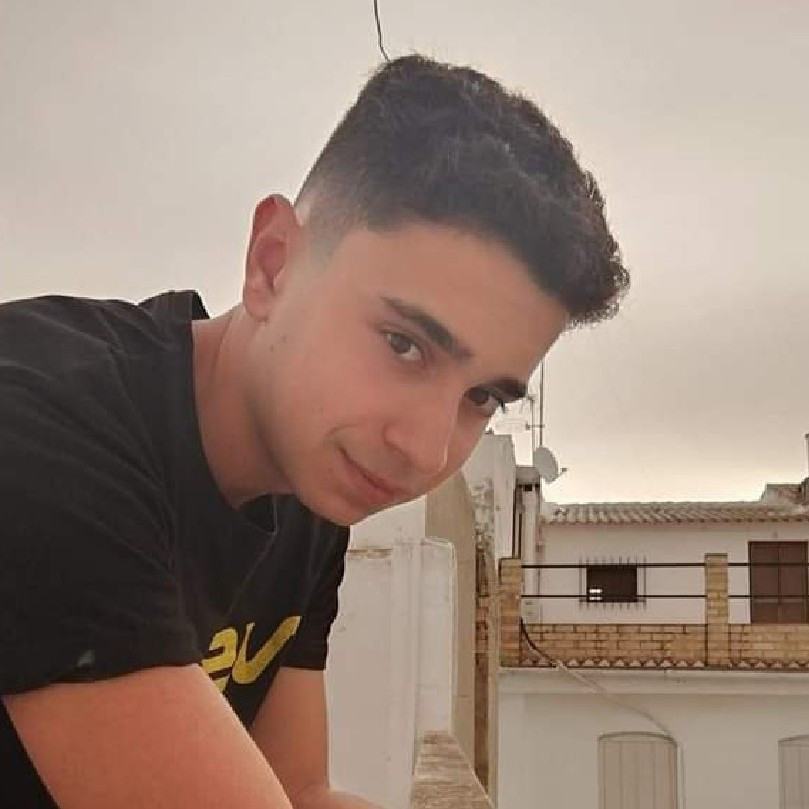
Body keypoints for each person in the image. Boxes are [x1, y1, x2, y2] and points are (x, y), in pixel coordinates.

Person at [0, 54, 628, 808]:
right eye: (403, 344)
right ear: (272, 264)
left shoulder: (309, 487)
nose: (426, 449)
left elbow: (300, 788)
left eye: (482, 397)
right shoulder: (43, 422)